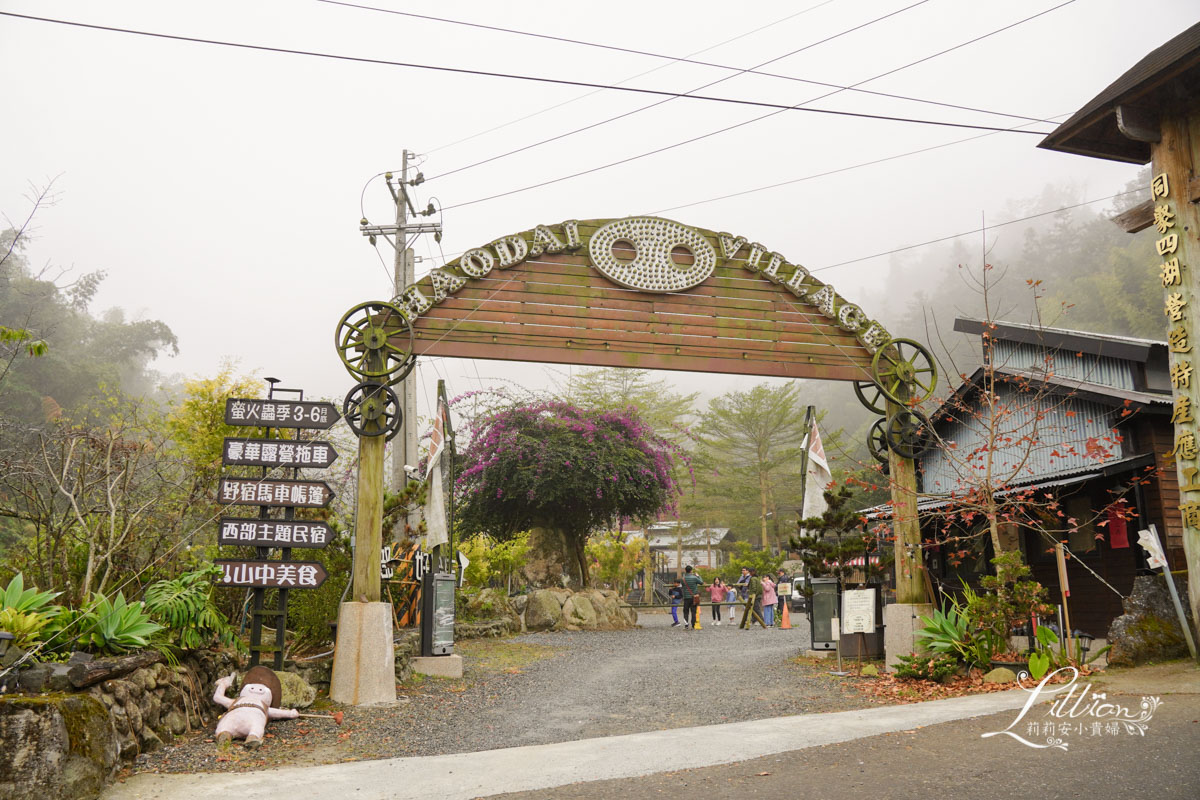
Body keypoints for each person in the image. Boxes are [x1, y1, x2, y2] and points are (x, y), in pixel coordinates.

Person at [681, 565, 704, 629]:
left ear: (685, 570)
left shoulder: (683, 579)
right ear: (691, 570)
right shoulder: (694, 577)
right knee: (693, 611)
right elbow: (701, 582)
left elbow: (682, 586)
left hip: (686, 597)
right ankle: (693, 625)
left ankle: (686, 625)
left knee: (686, 611)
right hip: (694, 597)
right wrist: (698, 576)